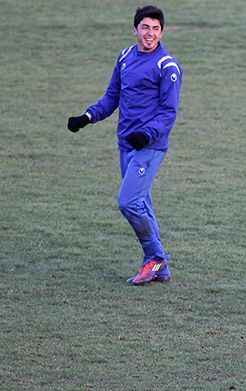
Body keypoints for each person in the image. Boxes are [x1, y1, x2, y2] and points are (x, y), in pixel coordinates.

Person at [66, 5, 182, 285]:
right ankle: (160, 267)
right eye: (145, 27)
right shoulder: (126, 56)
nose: (150, 33)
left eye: (156, 28)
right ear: (135, 30)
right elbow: (112, 96)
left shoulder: (167, 66)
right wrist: (88, 116)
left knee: (128, 202)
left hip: (149, 146)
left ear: (162, 32)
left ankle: (153, 257)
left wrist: (146, 135)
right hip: (125, 144)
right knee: (141, 202)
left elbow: (168, 112)